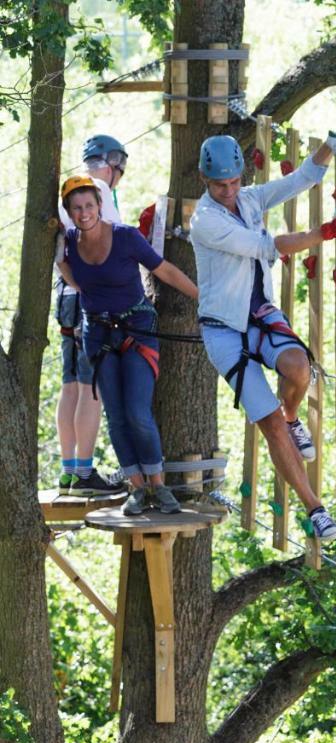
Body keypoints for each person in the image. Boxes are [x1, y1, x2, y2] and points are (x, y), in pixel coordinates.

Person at [188, 132, 336, 543]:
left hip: (260, 314)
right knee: (269, 424)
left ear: (240, 175)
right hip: (224, 331)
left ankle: (293, 413)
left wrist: (328, 148)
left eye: (232, 183)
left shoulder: (249, 198)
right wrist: (325, 233)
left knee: (300, 369)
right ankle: (315, 509)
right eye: (218, 186)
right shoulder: (206, 220)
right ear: (204, 180)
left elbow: (299, 179)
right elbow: (269, 246)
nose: (228, 192)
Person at [60, 175, 199, 515]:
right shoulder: (68, 244)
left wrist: (201, 297)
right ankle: (136, 488)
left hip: (136, 328)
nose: (84, 213)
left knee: (137, 411)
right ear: (69, 212)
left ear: (99, 205)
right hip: (98, 332)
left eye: (89, 205)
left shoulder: (124, 237)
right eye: (76, 208)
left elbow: (162, 269)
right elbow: (69, 274)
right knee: (117, 417)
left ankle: (158, 484)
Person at [53, 134, 131, 496]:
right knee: (91, 387)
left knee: (70, 386)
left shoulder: (67, 195)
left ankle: (69, 470)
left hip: (65, 294)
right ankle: (85, 473)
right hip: (90, 300)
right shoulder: (97, 190)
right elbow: (112, 243)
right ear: (113, 162)